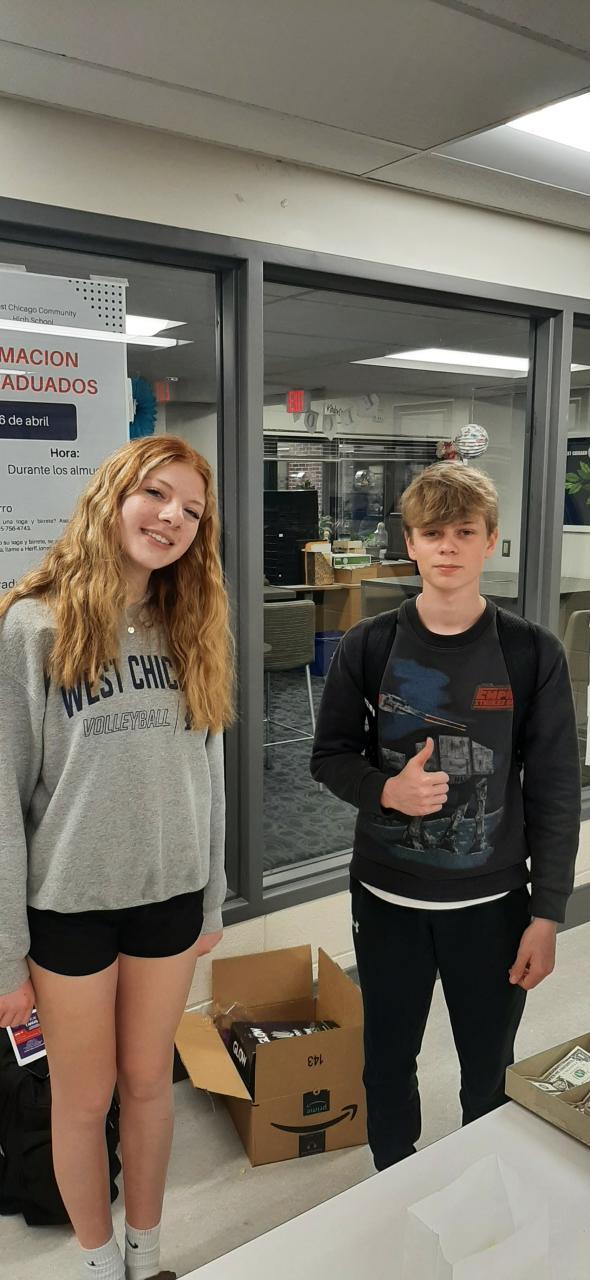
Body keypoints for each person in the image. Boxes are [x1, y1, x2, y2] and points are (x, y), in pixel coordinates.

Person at [0, 435, 234, 1280]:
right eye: (157, 494)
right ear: (113, 496)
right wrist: (5, 957)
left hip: (169, 899)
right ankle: (98, 1268)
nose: (172, 517)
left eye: (192, 510)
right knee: (82, 1098)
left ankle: (147, 1256)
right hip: (67, 909)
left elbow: (208, 771)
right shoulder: (33, 624)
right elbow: (1, 798)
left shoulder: (193, 624)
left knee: (146, 1085)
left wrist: (211, 899)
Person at [310, 461, 580, 1171]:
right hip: (386, 899)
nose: (448, 547)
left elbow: (555, 788)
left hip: (493, 906)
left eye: (464, 532)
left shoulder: (530, 652)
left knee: (488, 1071)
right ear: (411, 543)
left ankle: (476, 1190)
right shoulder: (370, 645)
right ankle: (393, 1180)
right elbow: (329, 756)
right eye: (433, 534)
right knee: (386, 1062)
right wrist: (386, 792)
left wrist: (547, 913)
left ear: (490, 541)